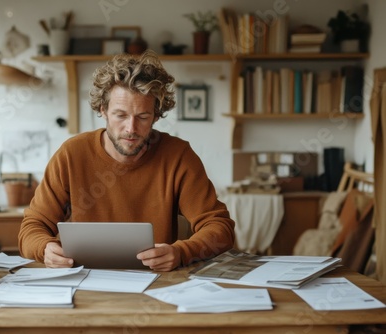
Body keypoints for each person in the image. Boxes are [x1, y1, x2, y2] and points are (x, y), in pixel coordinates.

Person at [18, 50, 235, 272]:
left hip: (156, 284)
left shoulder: (178, 156)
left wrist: (182, 252)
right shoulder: (71, 155)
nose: (131, 129)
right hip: (83, 283)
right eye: (120, 115)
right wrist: (45, 249)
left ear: (156, 116)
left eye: (142, 117)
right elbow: (31, 228)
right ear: (103, 110)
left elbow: (221, 229)